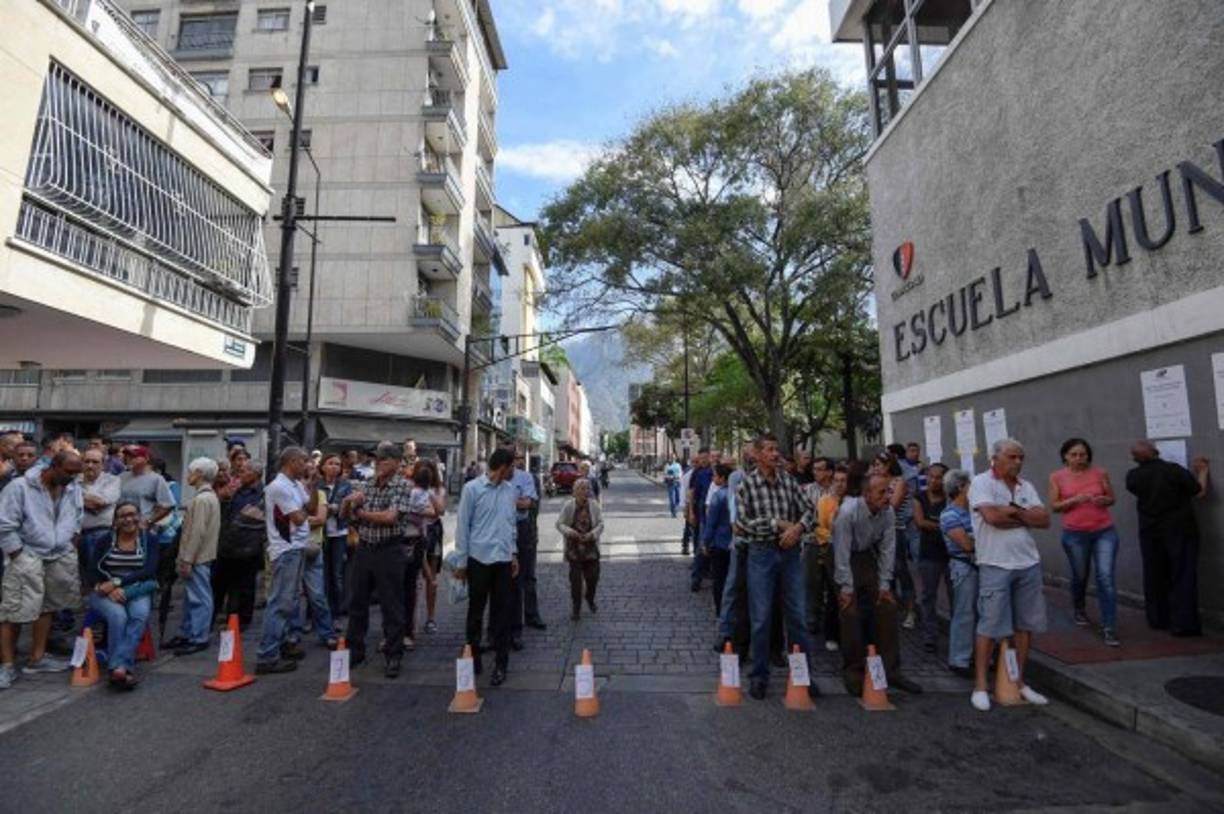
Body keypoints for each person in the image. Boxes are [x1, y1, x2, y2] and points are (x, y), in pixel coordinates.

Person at [735, 433, 819, 702]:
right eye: (769, 449)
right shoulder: (747, 486)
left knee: (797, 616)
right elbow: (742, 524)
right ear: (757, 455)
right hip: (761, 554)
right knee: (761, 618)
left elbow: (810, 511)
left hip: (790, 553)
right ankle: (759, 675)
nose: (775, 454)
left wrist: (796, 528)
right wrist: (776, 524)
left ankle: (803, 676)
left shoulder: (789, 482)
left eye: (776, 449)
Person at [968, 438, 1050, 711]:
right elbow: (992, 518)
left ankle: (1019, 681)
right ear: (996, 458)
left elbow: (1045, 519)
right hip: (995, 563)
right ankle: (980, 685)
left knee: (1024, 627)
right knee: (990, 625)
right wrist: (1023, 514)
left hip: (1027, 563)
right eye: (1012, 457)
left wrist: (1013, 511)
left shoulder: (1026, 486)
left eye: (1020, 457)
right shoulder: (981, 482)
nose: (1018, 462)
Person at [833, 473, 924, 696]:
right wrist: (846, 587)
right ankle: (853, 671)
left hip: (866, 556)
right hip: (841, 556)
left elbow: (887, 549)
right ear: (866, 494)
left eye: (888, 491)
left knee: (887, 606)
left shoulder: (888, 513)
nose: (887, 496)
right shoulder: (848, 513)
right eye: (881, 492)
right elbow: (841, 551)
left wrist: (885, 585)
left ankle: (891, 671)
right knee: (850, 611)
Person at [0, 450, 84, 688]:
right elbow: (4, 523)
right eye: (69, 472)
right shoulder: (20, 487)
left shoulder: (72, 487)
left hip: (58, 552)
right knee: (13, 609)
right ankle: (6, 665)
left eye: (76, 474)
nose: (73, 478)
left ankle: (36, 658)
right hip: (27, 553)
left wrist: (71, 543)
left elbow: (78, 516)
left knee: (48, 606)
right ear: (54, 466)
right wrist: (17, 554)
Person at [341, 442, 411, 677]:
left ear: (396, 463)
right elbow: (349, 508)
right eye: (376, 460)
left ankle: (393, 655)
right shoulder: (369, 484)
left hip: (389, 550)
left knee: (391, 605)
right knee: (357, 601)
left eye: (383, 460)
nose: (378, 464)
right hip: (365, 548)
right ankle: (355, 650)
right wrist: (348, 506)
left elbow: (391, 517)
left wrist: (361, 513)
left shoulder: (402, 485)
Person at [1125, 441, 1210, 637]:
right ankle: (1183, 623)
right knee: (1183, 574)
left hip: (1150, 531)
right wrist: (1202, 471)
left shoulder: (1133, 477)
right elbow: (1199, 491)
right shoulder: (1174, 471)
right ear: (1156, 452)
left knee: (1154, 573)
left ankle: (1157, 618)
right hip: (1180, 529)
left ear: (1135, 459)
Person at [454, 448, 520, 686]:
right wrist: (461, 562)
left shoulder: (510, 490)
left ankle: (501, 664)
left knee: (502, 615)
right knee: (475, 612)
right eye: (512, 466)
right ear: (502, 466)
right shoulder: (472, 489)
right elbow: (463, 527)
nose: (515, 470)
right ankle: (473, 658)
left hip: (502, 561)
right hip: (478, 560)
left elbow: (510, 524)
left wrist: (514, 553)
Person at [1049, 437, 1121, 646]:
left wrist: (1103, 500)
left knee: (1105, 577)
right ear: (1065, 456)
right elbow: (1054, 506)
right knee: (1080, 575)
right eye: (1074, 455)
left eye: (1083, 454)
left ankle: (1109, 627)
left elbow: (1112, 498)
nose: (1079, 458)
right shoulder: (1057, 477)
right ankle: (1079, 607)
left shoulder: (1100, 473)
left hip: (1104, 531)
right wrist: (1073, 500)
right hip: (1075, 534)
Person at [82, 500, 159, 689]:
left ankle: (117, 666)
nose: (129, 519)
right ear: (115, 520)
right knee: (118, 616)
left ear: (140, 517)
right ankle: (123, 668)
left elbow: (149, 570)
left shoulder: (149, 539)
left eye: (133, 514)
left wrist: (118, 583)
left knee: (139, 615)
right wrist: (108, 587)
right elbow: (92, 570)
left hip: (136, 589)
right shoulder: (105, 540)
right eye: (123, 515)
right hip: (104, 591)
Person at [256, 447, 318, 675]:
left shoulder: (296, 485)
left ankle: (282, 643)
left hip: (297, 547)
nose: (308, 465)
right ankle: (267, 654)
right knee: (280, 602)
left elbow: (310, 507)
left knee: (290, 601)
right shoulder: (279, 486)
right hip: (286, 549)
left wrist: (312, 485)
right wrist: (305, 505)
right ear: (291, 461)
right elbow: (300, 518)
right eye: (304, 461)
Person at [165, 458, 219, 656]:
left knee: (199, 597)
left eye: (191, 472)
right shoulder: (208, 497)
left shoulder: (202, 499)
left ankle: (198, 636)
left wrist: (187, 559)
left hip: (197, 557)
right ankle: (188, 632)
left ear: (199, 473)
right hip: (201, 556)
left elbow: (197, 532)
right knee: (193, 597)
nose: (188, 475)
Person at [287, 460, 338, 652]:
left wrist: (299, 519)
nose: (307, 480)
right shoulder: (292, 493)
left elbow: (321, 520)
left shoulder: (320, 494)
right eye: (304, 476)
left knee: (317, 595)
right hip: (293, 547)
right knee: (292, 595)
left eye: (310, 476)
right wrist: (303, 519)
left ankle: (327, 633)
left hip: (312, 547)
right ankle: (294, 632)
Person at [213, 462, 264, 630]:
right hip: (228, 545)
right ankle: (225, 615)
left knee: (245, 585)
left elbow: (254, 517)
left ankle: (242, 620)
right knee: (221, 583)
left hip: (249, 546)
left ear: (255, 474)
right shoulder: (236, 491)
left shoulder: (262, 493)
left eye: (245, 471)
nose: (240, 474)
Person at [940, 469, 977, 678]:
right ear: (961, 487)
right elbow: (965, 544)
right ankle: (959, 659)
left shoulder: (974, 512)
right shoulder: (950, 514)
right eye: (970, 485)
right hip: (964, 567)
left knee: (981, 613)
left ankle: (979, 655)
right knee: (964, 613)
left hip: (978, 566)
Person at [874, 451, 917, 630]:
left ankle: (911, 611)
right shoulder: (876, 482)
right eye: (875, 464)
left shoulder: (900, 482)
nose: (876, 467)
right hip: (877, 532)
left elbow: (892, 506)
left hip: (895, 531)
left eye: (880, 464)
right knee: (883, 572)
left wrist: (877, 503)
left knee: (900, 570)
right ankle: (888, 610)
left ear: (889, 465)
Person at [400, 464, 441, 650]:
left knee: (410, 583)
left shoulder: (410, 490)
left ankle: (408, 629)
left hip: (414, 539)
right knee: (410, 584)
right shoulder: (423, 492)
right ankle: (406, 629)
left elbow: (436, 511)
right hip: (416, 537)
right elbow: (433, 512)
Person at [914, 463, 951, 654]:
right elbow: (920, 522)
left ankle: (957, 636)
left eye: (938, 477)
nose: (934, 481)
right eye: (931, 477)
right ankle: (930, 636)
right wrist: (947, 525)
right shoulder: (919, 498)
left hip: (952, 555)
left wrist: (937, 524)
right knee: (928, 596)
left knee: (956, 597)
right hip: (929, 553)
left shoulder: (951, 499)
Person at [810, 463, 848, 651]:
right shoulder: (825, 501)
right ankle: (831, 634)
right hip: (830, 550)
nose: (840, 484)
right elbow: (819, 527)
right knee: (832, 593)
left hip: (850, 552)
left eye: (843, 481)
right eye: (837, 481)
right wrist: (832, 537)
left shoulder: (853, 502)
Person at [510, 449, 545, 644]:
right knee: (512, 579)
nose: (519, 462)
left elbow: (532, 506)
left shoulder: (531, 479)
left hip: (527, 532)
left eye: (522, 459)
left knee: (529, 576)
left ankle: (531, 615)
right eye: (516, 459)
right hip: (510, 531)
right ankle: (511, 621)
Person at [557, 478, 603, 620]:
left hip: (590, 547)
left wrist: (592, 534)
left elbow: (601, 524)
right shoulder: (569, 506)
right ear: (575, 492)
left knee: (593, 577)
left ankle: (589, 597)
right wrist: (570, 532)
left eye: (587, 489)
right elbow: (559, 524)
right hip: (574, 548)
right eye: (582, 489)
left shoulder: (594, 505)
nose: (585, 492)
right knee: (576, 581)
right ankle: (576, 607)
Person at [319, 454, 352, 620]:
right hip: (321, 533)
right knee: (320, 575)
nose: (334, 467)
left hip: (339, 533)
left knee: (336, 575)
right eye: (331, 463)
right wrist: (332, 508)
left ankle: (336, 614)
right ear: (323, 466)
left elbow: (347, 509)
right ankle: (316, 615)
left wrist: (332, 509)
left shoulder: (345, 485)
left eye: (337, 464)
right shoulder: (316, 485)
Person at [79, 446, 122, 566]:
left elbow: (98, 504)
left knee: (98, 570)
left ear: (103, 465)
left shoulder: (112, 480)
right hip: (76, 535)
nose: (90, 465)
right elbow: (94, 503)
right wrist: (92, 499)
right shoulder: (74, 481)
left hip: (101, 533)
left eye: (95, 462)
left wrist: (77, 496)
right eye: (87, 461)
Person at [702, 464, 734, 618]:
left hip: (720, 544)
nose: (713, 478)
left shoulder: (719, 495)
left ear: (722, 478)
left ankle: (721, 610)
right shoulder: (738, 493)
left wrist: (705, 543)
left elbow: (711, 523)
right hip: (735, 544)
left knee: (719, 580)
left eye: (715, 476)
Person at [418, 461, 446, 635]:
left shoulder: (437, 491)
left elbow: (439, 510)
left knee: (432, 578)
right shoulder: (412, 490)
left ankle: (430, 617)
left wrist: (429, 494)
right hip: (414, 534)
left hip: (433, 532)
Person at [119, 446, 174, 528]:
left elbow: (168, 505)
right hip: (122, 527)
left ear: (146, 458)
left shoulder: (156, 479)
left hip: (142, 529)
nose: (129, 459)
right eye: (127, 456)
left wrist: (149, 521)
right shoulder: (121, 477)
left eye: (134, 456)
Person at [688, 448, 714, 593]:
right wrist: (690, 511)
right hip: (702, 514)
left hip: (715, 514)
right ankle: (696, 578)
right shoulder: (698, 473)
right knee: (701, 546)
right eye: (701, 458)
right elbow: (692, 493)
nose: (703, 460)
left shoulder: (715, 471)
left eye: (706, 457)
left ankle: (708, 573)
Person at [679, 459, 694, 556]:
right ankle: (685, 545)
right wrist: (684, 506)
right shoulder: (688, 475)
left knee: (689, 527)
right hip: (689, 504)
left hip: (696, 504)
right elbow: (683, 490)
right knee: (688, 526)